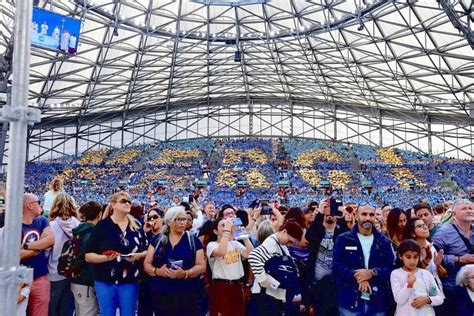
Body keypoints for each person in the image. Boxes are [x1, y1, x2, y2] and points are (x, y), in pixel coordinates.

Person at [85, 192, 148, 316]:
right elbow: (88, 255)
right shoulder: (102, 226)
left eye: (129, 201)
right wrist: (105, 258)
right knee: (107, 313)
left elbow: (147, 250)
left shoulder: (136, 225)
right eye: (123, 201)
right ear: (113, 205)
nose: (127, 203)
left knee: (128, 313)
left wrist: (138, 256)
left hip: (130, 279)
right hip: (105, 280)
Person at [333, 201, 395, 316]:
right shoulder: (343, 239)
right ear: (356, 216)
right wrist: (359, 276)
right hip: (350, 300)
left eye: (371, 215)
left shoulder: (384, 241)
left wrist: (372, 273)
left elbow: (390, 268)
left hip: (378, 302)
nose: (368, 218)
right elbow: (337, 267)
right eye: (364, 214)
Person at [143, 206, 206, 316]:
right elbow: (147, 264)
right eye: (178, 219)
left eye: (184, 219)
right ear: (168, 221)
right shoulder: (157, 240)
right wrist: (157, 271)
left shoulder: (192, 240)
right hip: (161, 294)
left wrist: (185, 273)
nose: (182, 223)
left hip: (187, 294)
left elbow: (201, 265)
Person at [248, 220, 304, 316]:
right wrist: (263, 279)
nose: (289, 244)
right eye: (290, 241)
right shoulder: (271, 243)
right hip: (266, 297)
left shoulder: (279, 244)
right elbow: (253, 256)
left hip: (273, 296)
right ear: (284, 231)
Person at [306, 198, 349, 316]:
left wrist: (343, 219)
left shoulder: (341, 231)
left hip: (336, 284)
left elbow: (349, 241)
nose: (330, 214)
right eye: (327, 209)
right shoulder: (318, 230)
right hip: (318, 284)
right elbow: (309, 237)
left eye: (333, 210)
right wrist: (319, 214)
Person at [432, 199, 474, 312]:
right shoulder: (443, 232)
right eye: (464, 208)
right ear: (454, 214)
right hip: (454, 286)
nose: (469, 211)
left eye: (470, 208)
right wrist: (458, 259)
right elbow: (432, 257)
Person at [207, 217, 254, 316]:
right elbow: (221, 252)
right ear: (215, 231)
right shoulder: (212, 245)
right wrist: (227, 230)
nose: (227, 227)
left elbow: (249, 255)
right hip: (221, 286)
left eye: (227, 224)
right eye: (222, 225)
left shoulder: (235, 243)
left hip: (237, 285)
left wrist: (245, 237)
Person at [21, 193, 55, 316]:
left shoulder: (42, 220)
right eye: (38, 202)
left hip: (39, 277)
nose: (41, 205)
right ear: (30, 205)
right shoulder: (12, 225)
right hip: (19, 280)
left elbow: (50, 241)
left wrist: (25, 247)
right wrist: (40, 245)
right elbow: (15, 255)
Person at [390, 239, 444, 316]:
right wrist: (409, 285)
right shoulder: (396, 274)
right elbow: (399, 300)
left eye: (415, 257)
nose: (412, 261)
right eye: (408, 257)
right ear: (400, 256)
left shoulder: (426, 274)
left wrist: (427, 299)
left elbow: (439, 298)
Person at [47, 192, 80, 316]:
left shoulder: (51, 226)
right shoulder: (78, 225)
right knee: (67, 309)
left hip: (54, 272)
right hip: (73, 272)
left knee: (52, 309)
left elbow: (46, 251)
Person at [70, 201, 103, 316]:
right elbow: (87, 257)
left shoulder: (80, 230)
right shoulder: (91, 234)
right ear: (99, 215)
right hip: (86, 281)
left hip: (77, 280)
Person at [403, 218, 445, 294]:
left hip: (437, 290)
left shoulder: (432, 246)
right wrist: (426, 261)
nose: (425, 227)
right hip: (419, 292)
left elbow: (443, 274)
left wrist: (438, 265)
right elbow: (412, 274)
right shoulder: (409, 250)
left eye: (424, 225)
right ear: (412, 233)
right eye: (419, 226)